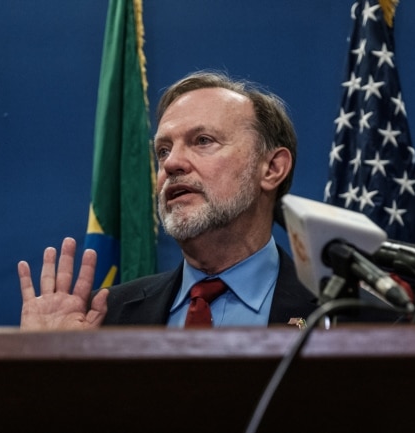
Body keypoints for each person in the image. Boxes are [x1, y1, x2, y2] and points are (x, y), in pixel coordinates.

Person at [18, 71, 318, 330]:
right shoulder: (104, 318)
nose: (172, 163)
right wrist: (45, 366)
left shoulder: (346, 313)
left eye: (203, 141)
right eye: (163, 150)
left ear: (272, 168)